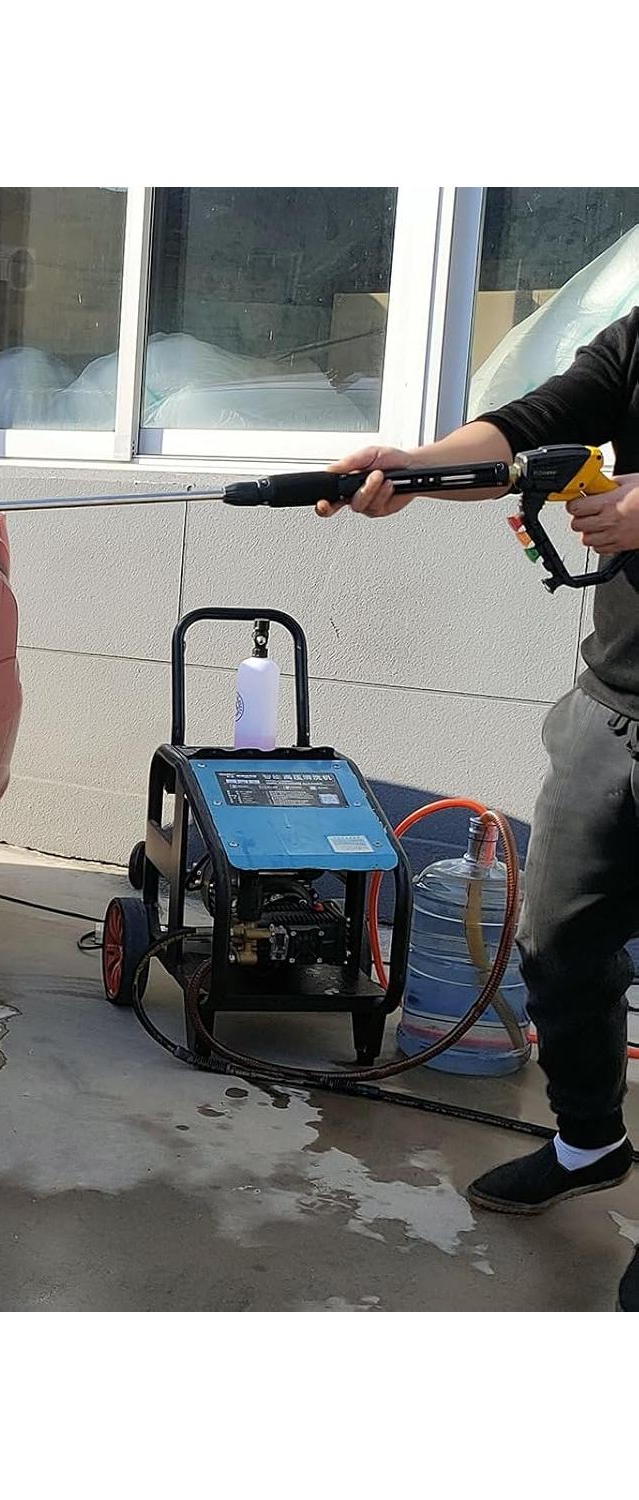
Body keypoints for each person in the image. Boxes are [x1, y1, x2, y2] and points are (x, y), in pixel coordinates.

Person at [320, 307, 639, 1311]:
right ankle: (589, 1139)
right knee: (561, 946)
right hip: (615, 706)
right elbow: (525, 427)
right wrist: (412, 470)